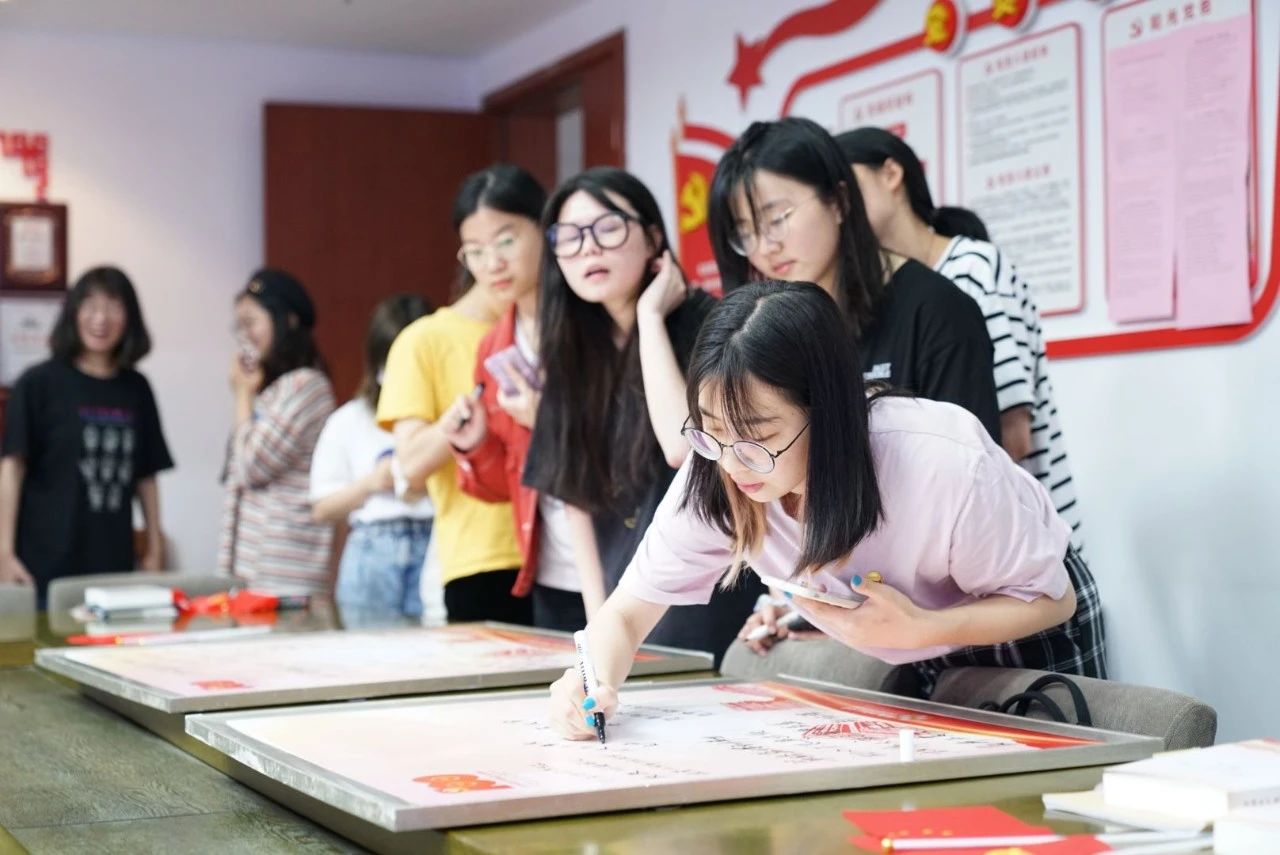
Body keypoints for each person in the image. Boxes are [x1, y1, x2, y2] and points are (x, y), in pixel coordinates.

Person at [548, 282, 1106, 739]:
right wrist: (592, 681)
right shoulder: (716, 463)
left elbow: (1052, 599)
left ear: (828, 413)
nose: (733, 462)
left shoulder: (941, 460)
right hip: (912, 637)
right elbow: (625, 615)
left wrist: (925, 627)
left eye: (758, 437)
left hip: (1020, 620)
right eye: (712, 430)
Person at [520, 167, 762, 655]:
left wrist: (650, 318)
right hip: (625, 599)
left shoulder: (712, 325)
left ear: (653, 237)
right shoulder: (571, 351)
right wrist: (600, 626)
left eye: (608, 228)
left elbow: (682, 446)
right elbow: (576, 499)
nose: (589, 248)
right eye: (569, 237)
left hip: (709, 596)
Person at [838, 126, 1084, 550]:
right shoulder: (883, 298)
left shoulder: (970, 268)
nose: (842, 208)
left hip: (1028, 545)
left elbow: (1013, 435)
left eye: (848, 188)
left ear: (891, 174)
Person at [707, 117, 1001, 442]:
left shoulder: (936, 310)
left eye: (776, 219)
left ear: (839, 201)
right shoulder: (777, 332)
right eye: (746, 232)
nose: (765, 248)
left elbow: (972, 461)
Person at [377, 165, 531, 625]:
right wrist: (460, 425)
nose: (493, 262)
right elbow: (408, 466)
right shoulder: (424, 340)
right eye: (476, 251)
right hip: (484, 560)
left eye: (506, 241)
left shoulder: (556, 329)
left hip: (569, 551)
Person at [0, 266, 173, 606]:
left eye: (113, 306)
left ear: (130, 317)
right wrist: (3, 552)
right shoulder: (37, 384)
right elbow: (12, 469)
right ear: (73, 313)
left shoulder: (137, 388)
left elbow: (146, 475)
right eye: (90, 305)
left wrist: (155, 548)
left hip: (113, 564)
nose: (101, 318)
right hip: (42, 565)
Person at [310, 294, 436, 620]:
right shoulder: (349, 420)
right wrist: (371, 483)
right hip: (372, 551)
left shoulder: (449, 421)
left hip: (435, 544)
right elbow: (321, 507)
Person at [219, 268, 335, 595]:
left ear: (288, 320)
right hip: (254, 572)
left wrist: (242, 395)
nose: (244, 335)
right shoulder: (274, 390)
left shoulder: (306, 387)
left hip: (285, 574)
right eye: (239, 326)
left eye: (251, 322)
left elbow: (251, 466)